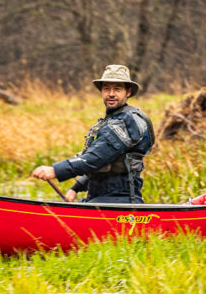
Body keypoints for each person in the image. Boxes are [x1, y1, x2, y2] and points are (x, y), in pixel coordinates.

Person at [31, 64, 155, 204]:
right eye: (106, 88)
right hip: (99, 198)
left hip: (120, 201)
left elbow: (95, 158)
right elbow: (106, 164)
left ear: (128, 92)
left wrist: (56, 170)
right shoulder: (109, 121)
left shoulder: (127, 121)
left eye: (117, 89)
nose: (111, 94)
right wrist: (76, 188)